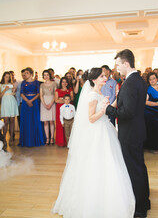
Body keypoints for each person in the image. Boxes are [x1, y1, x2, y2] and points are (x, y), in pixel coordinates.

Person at [52, 68, 135, 218]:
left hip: (105, 130)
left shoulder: (100, 93)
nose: (105, 78)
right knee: (98, 164)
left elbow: (106, 108)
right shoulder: (92, 96)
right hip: (97, 132)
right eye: (102, 76)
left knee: (109, 163)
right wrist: (103, 110)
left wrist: (117, 98)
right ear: (94, 79)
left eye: (105, 76)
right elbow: (91, 118)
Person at [105, 49, 150, 218]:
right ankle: (145, 201)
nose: (116, 68)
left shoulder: (130, 83)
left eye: (117, 65)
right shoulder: (138, 80)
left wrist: (108, 110)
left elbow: (127, 112)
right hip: (136, 130)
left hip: (130, 132)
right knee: (139, 166)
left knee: (134, 169)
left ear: (126, 63)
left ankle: (139, 209)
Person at [19, 67, 45, 147]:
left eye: (26, 73)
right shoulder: (23, 82)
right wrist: (27, 101)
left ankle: (36, 140)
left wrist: (31, 101)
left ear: (31, 74)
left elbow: (38, 93)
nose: (25, 74)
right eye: (24, 73)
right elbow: (21, 93)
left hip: (34, 102)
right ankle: (26, 141)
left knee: (35, 120)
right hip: (25, 102)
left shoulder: (36, 82)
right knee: (26, 121)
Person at [144, 72, 158, 153]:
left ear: (157, 79)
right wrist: (156, 104)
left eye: (154, 78)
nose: (152, 80)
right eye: (150, 79)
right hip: (151, 112)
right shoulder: (148, 89)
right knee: (153, 130)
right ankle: (153, 147)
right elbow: (145, 102)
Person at [0, 72, 19, 147]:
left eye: (8, 77)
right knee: (6, 120)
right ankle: (4, 138)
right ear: (3, 77)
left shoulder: (12, 84)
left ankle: (11, 138)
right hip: (5, 102)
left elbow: (13, 94)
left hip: (12, 101)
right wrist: (4, 90)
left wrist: (14, 91)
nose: (7, 78)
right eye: (6, 76)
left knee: (12, 120)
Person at [55, 77, 74, 147]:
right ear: (61, 83)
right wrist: (66, 100)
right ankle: (61, 142)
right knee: (60, 125)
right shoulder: (57, 90)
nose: (64, 83)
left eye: (66, 82)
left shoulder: (70, 90)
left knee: (69, 125)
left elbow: (72, 98)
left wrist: (62, 99)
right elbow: (56, 100)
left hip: (69, 109)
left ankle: (68, 142)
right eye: (63, 82)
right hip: (59, 109)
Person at [40, 69, 57, 145]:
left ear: (50, 75)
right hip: (44, 103)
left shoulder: (54, 84)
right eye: (44, 75)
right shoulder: (42, 85)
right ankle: (47, 138)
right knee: (45, 122)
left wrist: (50, 103)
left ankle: (52, 138)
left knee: (51, 121)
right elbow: (41, 95)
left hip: (52, 102)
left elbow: (55, 94)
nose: (46, 76)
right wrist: (44, 104)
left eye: (47, 75)